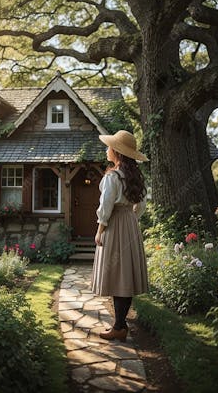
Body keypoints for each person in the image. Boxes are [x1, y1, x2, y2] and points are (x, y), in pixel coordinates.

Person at [91, 130, 149, 342]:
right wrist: (131, 220)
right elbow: (141, 205)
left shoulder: (112, 177)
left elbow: (105, 208)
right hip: (130, 225)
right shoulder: (136, 177)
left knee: (117, 274)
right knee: (125, 275)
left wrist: (99, 231)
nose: (107, 149)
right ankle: (120, 325)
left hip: (115, 225)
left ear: (116, 152)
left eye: (109, 147)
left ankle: (118, 327)